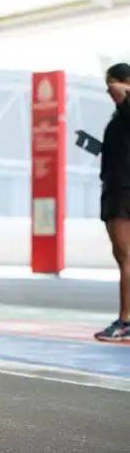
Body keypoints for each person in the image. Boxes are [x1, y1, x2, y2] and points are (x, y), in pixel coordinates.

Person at [94, 62, 130, 342]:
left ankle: (126, 320)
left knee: (126, 256)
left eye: (110, 85)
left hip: (123, 191)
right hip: (116, 187)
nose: (109, 91)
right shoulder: (120, 116)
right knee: (123, 257)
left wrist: (122, 89)